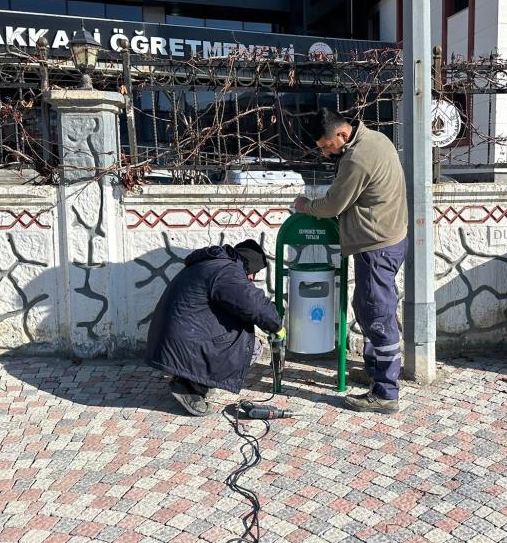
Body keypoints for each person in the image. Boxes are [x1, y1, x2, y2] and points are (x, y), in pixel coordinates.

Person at [293, 108, 408, 414]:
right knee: (369, 307)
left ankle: (386, 392)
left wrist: (306, 206)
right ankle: (374, 368)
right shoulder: (376, 139)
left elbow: (332, 204)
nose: (326, 152)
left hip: (377, 244)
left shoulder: (357, 158)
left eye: (327, 146)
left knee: (377, 313)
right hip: (388, 238)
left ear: (342, 135)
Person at [146, 239, 285, 416]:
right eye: (253, 273)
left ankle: (189, 377)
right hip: (184, 342)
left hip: (173, 340)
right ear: (248, 265)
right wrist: (277, 327)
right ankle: (190, 387)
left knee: (239, 332)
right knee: (252, 347)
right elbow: (254, 305)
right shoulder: (227, 272)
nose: (251, 278)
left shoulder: (211, 264)